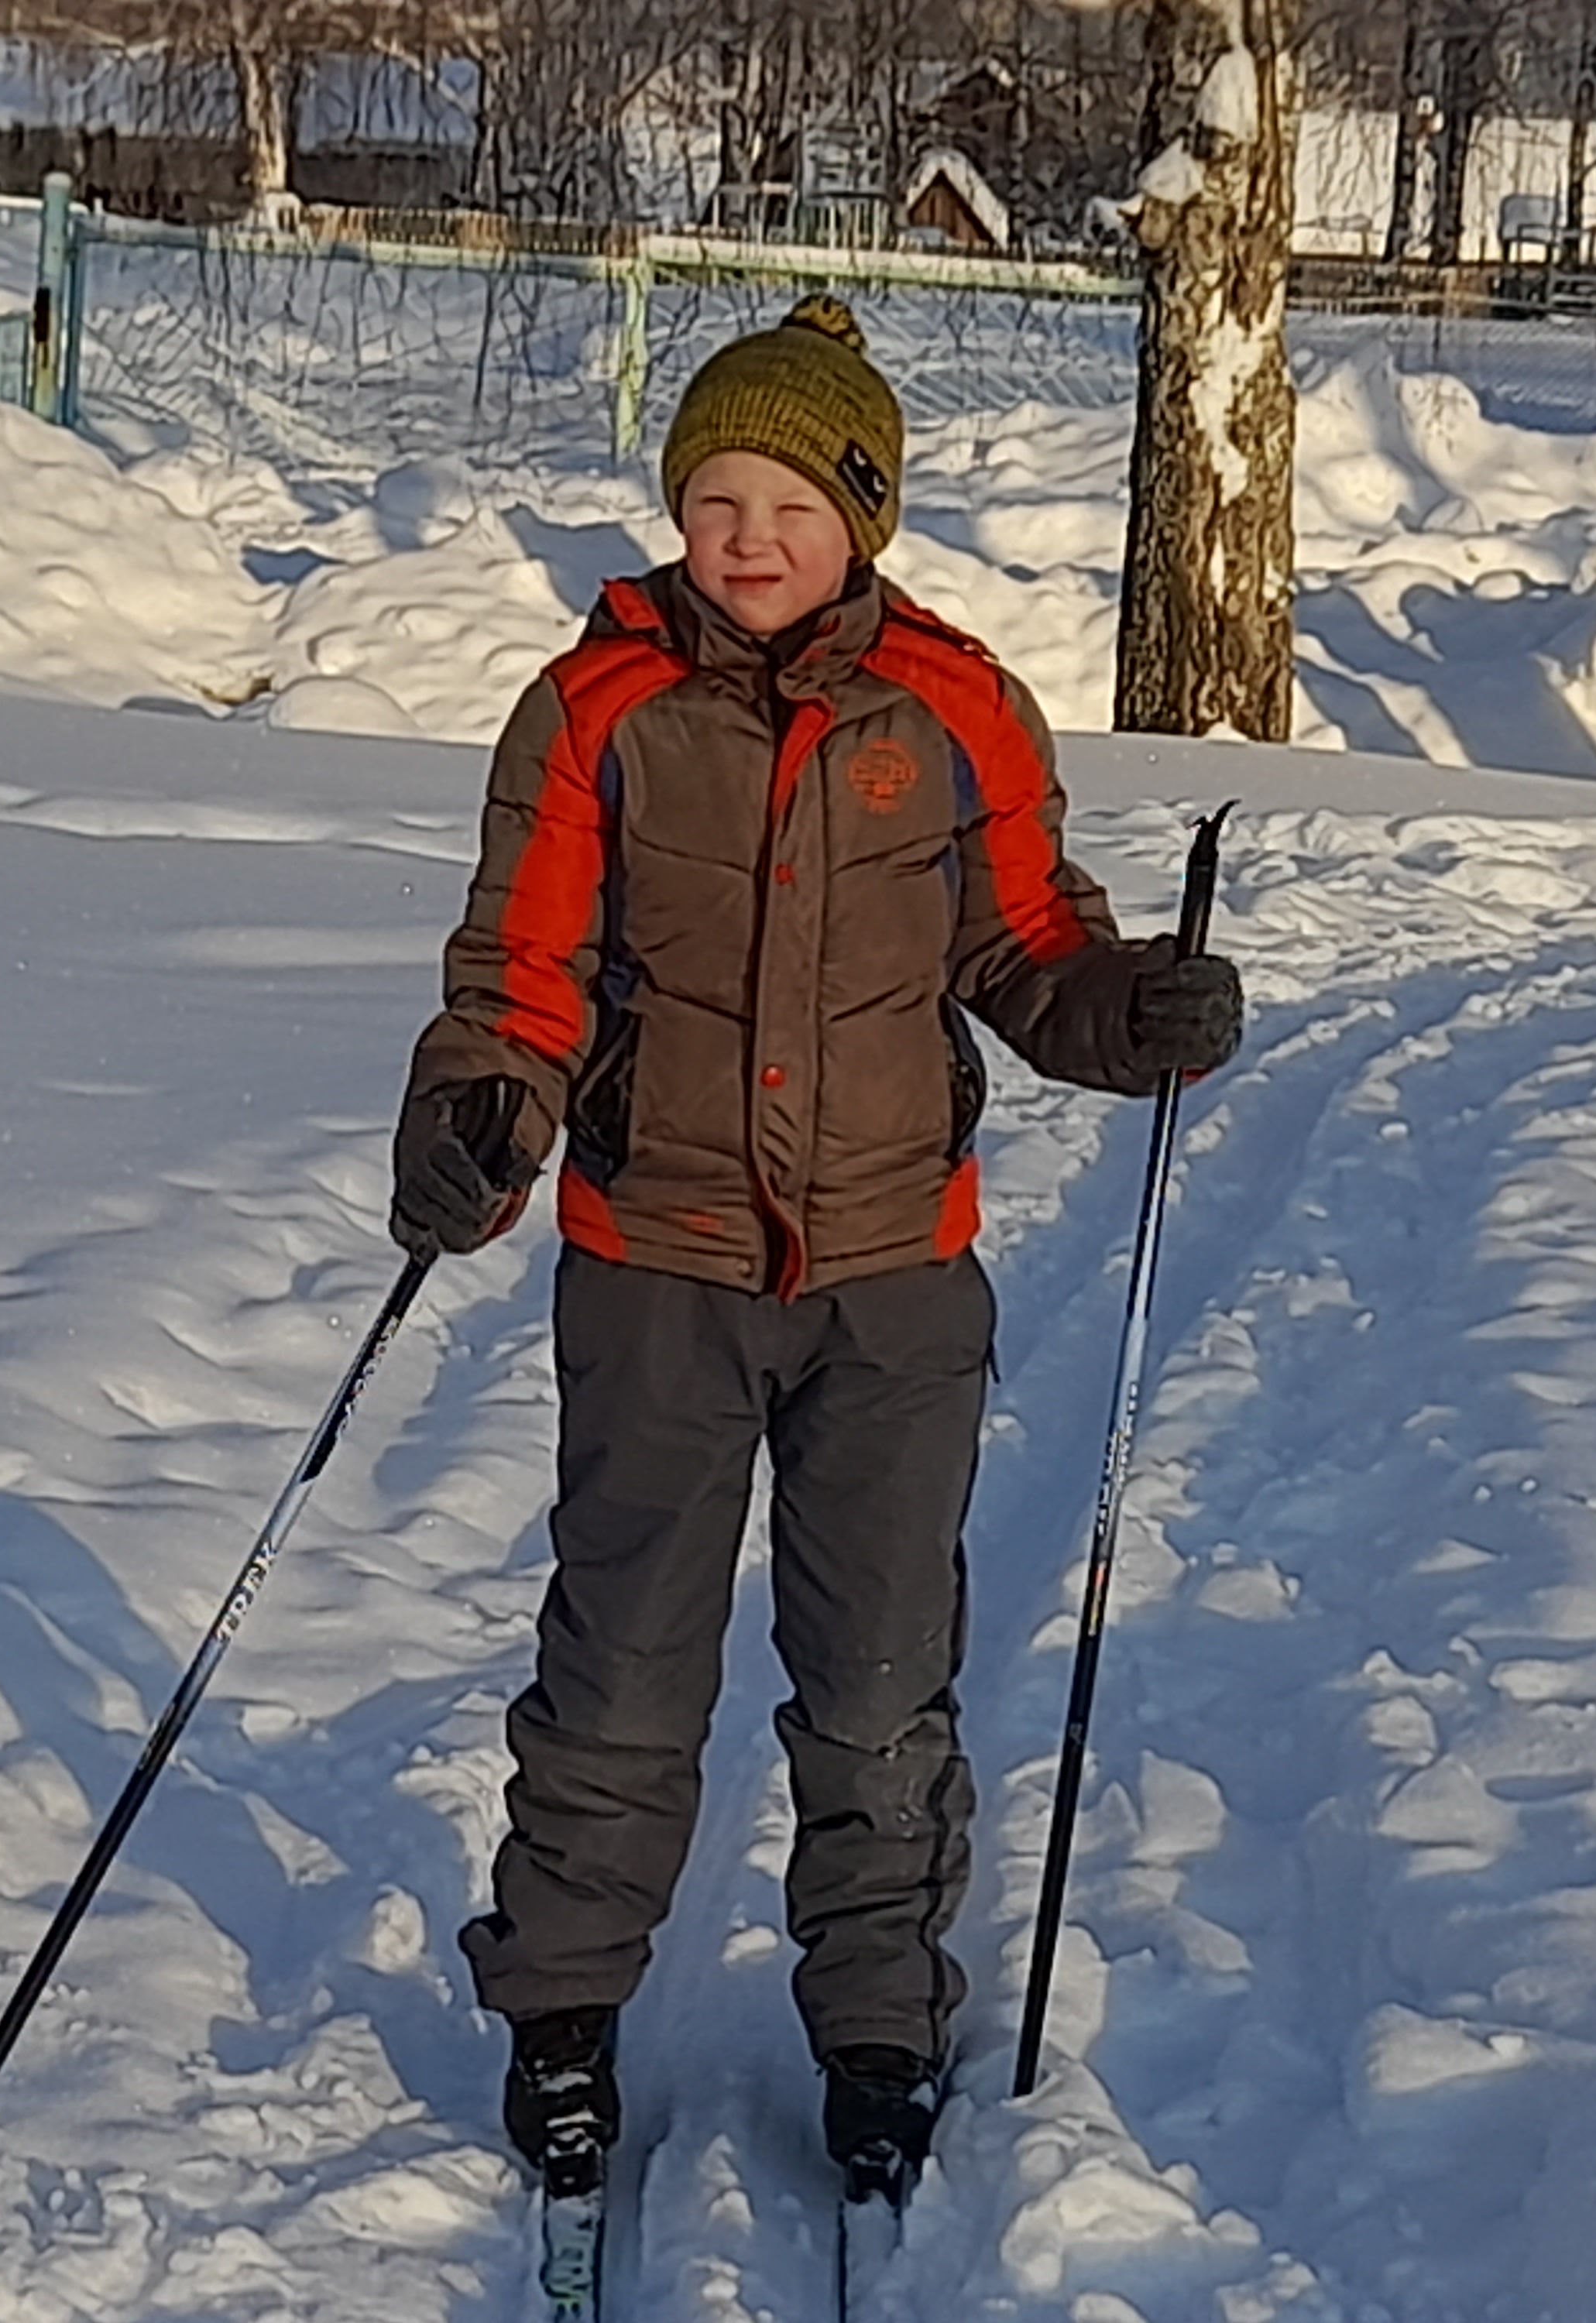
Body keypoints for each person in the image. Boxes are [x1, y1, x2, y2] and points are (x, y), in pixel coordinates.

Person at [388, 296, 1244, 2208]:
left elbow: (1028, 954)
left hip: (890, 1287)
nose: (743, 536)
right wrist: (474, 1122)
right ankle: (562, 2013)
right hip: (655, 1268)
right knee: (620, 1663)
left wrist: (1133, 1013)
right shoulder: (592, 711)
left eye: (783, 497)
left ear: (862, 513)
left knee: (875, 1680)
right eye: (711, 499)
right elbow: (517, 979)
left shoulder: (955, 711)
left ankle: (874, 2027)